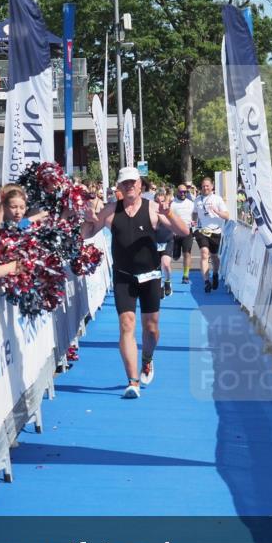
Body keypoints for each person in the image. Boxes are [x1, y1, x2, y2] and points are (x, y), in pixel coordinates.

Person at [81, 167, 190, 399]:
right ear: (119, 187)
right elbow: (86, 234)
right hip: (123, 275)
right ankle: (132, 381)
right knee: (127, 325)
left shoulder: (153, 208)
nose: (129, 186)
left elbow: (184, 230)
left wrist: (169, 214)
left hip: (150, 275)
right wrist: (87, 219)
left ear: (140, 185)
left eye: (133, 182)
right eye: (125, 183)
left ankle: (147, 359)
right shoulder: (110, 211)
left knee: (151, 329)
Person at [193, 177, 230, 293]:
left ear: (212, 186)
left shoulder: (217, 199)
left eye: (207, 186)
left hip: (215, 231)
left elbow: (227, 215)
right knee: (204, 253)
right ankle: (206, 281)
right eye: (203, 186)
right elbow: (194, 213)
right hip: (202, 231)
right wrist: (194, 222)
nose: (205, 188)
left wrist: (217, 212)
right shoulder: (197, 200)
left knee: (214, 256)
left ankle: (215, 273)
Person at [169, 184, 195, 284]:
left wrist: (194, 222)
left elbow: (195, 215)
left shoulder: (190, 203)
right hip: (175, 232)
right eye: (181, 192)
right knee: (175, 256)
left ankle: (185, 275)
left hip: (187, 231)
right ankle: (175, 254)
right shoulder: (173, 203)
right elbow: (169, 217)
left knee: (187, 253)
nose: (183, 193)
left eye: (185, 192)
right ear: (177, 192)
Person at [153, 187, 175, 297]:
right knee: (156, 266)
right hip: (155, 241)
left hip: (167, 240)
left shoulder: (168, 210)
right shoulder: (151, 211)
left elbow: (175, 222)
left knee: (165, 264)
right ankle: (160, 285)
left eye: (161, 201)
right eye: (157, 201)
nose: (159, 204)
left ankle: (167, 282)